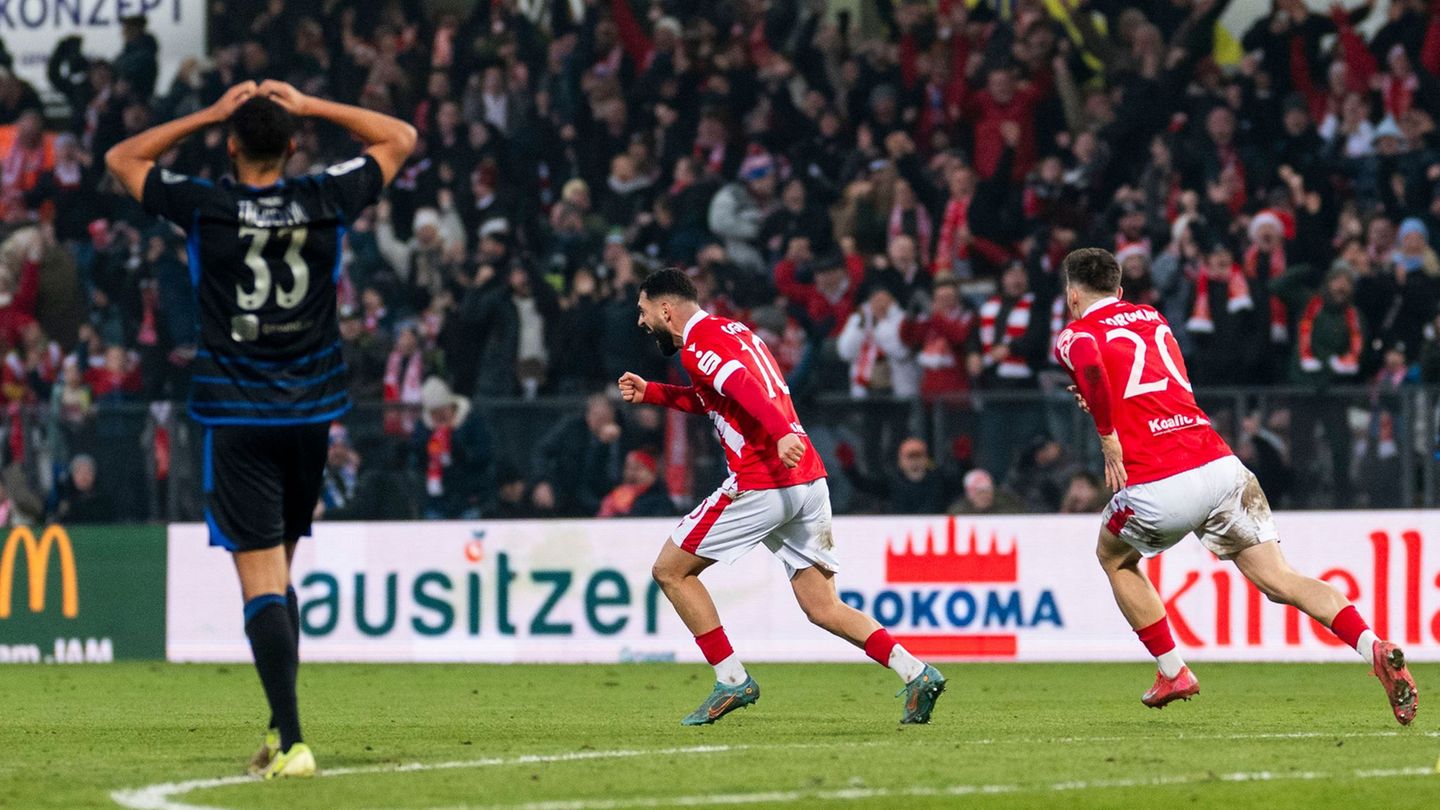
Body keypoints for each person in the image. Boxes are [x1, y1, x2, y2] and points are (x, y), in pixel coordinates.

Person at [105, 80, 416, 777]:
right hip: (311, 413)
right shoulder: (323, 195)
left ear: (233, 144)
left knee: (261, 580)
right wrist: (313, 104)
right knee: (279, 571)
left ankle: (296, 742)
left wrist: (210, 113)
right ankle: (281, 730)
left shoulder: (207, 205)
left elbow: (122, 157)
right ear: (294, 144)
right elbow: (400, 136)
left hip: (236, 412)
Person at [1053, 248, 1416, 722]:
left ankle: (1173, 670)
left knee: (1114, 557)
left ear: (1072, 294)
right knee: (1281, 579)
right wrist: (1101, 398)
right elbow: (1142, 381)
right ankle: (1373, 645)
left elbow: (1090, 361)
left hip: (1160, 481)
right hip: (1222, 468)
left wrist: (1107, 437)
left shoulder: (1074, 333)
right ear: (1120, 291)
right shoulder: (1152, 318)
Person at [618, 269, 945, 726]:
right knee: (822, 606)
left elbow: (739, 386)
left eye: (643, 310)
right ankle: (916, 672)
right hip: (807, 482)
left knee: (670, 571)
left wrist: (781, 432)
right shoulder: (734, 331)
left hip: (762, 480)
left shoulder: (697, 346)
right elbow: (719, 396)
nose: (641, 320)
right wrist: (654, 393)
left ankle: (731, 679)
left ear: (665, 309)